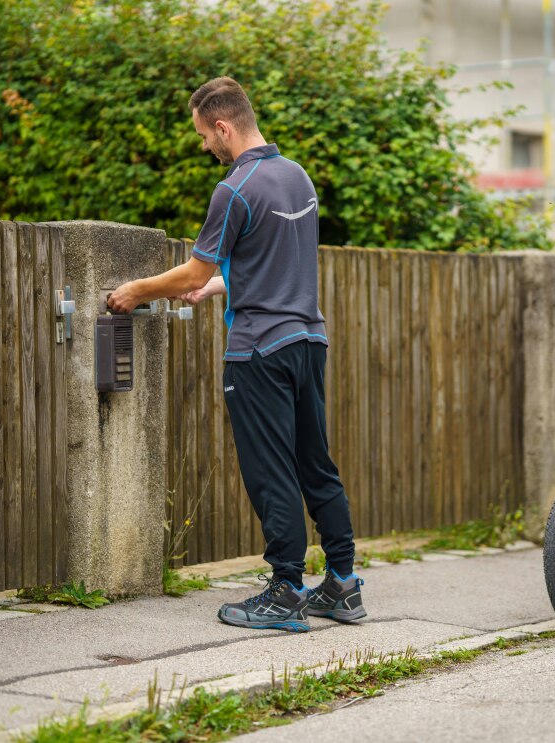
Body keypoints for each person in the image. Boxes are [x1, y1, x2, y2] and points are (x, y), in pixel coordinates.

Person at [107, 77, 364, 633]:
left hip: (258, 354)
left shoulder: (236, 187)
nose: (204, 146)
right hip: (307, 341)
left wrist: (136, 291)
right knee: (315, 463)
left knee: (271, 470)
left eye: (204, 135)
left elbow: (196, 268)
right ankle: (343, 583)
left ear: (224, 127)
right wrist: (220, 288)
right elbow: (275, 263)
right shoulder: (296, 176)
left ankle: (286, 590)